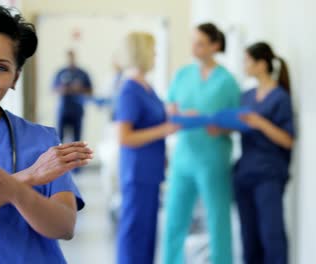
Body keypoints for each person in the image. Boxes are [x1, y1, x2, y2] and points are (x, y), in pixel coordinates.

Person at [0, 5, 93, 263]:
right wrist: (26, 178)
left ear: (15, 78)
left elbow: (64, 226)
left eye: (1, 67)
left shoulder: (42, 140)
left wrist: (16, 192)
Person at [162, 23, 240, 264]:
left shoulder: (227, 81)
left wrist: (221, 126)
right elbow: (169, 108)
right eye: (193, 42)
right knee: (174, 219)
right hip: (184, 156)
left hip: (213, 158)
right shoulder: (183, 75)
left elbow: (237, 120)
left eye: (200, 43)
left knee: (217, 219)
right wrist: (173, 112)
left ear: (215, 46)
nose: (194, 48)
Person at [115, 32, 179, 264]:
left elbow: (157, 121)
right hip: (137, 172)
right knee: (135, 233)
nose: (155, 55)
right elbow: (124, 137)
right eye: (152, 50)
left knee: (148, 233)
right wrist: (165, 130)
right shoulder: (129, 89)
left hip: (151, 171)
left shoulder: (147, 87)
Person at [234, 42, 294, 264]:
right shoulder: (246, 96)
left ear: (261, 64)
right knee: (249, 237)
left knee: (271, 235)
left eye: (247, 60)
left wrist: (259, 123)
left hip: (268, 174)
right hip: (245, 174)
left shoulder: (280, 98)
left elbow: (288, 140)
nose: (244, 65)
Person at [53, 49, 93, 143]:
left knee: (77, 140)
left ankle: (76, 158)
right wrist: (63, 89)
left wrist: (79, 89)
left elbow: (90, 91)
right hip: (63, 111)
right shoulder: (61, 72)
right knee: (59, 139)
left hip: (77, 111)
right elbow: (53, 89)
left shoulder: (82, 73)